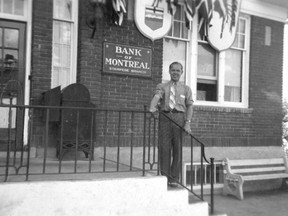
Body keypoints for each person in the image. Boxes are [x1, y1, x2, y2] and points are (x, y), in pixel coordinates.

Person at [149, 61, 193, 187]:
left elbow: (190, 106)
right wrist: (152, 106)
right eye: (173, 70)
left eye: (178, 70)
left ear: (182, 72)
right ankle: (164, 176)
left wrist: (187, 123)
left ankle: (174, 178)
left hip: (180, 118)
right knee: (164, 147)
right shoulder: (162, 86)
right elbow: (157, 96)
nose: (175, 72)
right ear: (169, 71)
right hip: (165, 117)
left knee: (178, 149)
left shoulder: (186, 89)